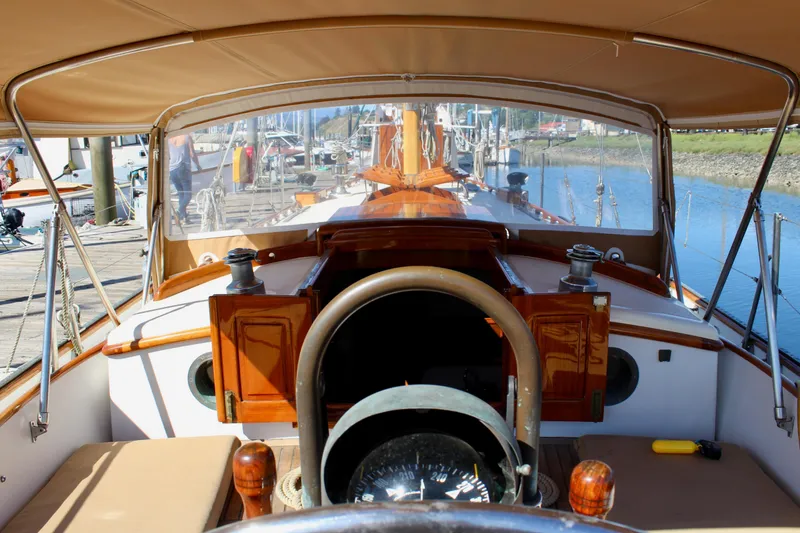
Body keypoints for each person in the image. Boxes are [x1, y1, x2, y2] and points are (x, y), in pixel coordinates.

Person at [168, 134, 202, 222]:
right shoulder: (187, 137)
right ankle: (179, 211)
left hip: (172, 170)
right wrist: (198, 165)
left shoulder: (169, 139)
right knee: (188, 195)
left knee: (181, 194)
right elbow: (192, 154)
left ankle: (184, 218)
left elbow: (168, 155)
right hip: (183, 168)